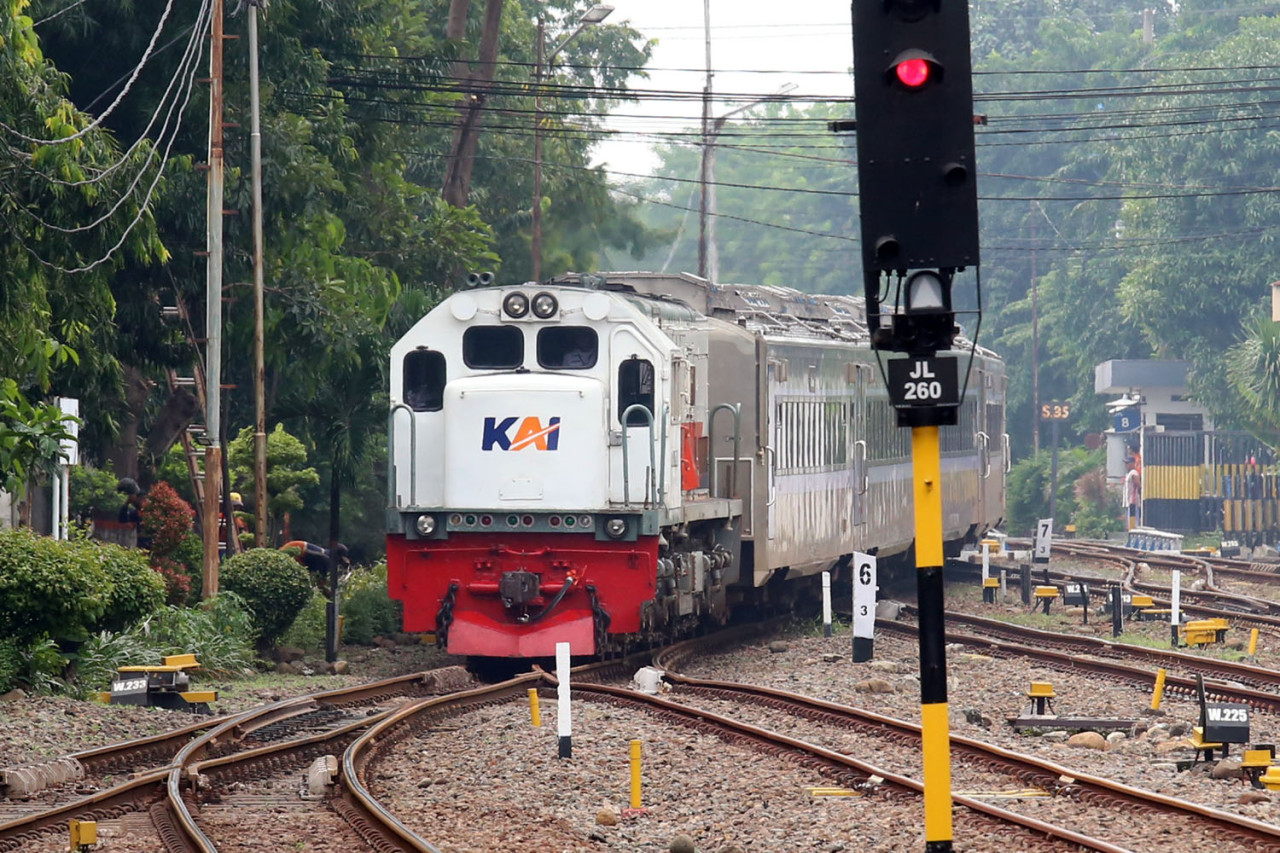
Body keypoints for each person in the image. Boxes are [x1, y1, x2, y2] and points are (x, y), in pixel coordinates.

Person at [116, 478, 150, 549]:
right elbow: (122, 521)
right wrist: (126, 504)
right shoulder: (134, 511)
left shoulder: (149, 506)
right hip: (142, 546)